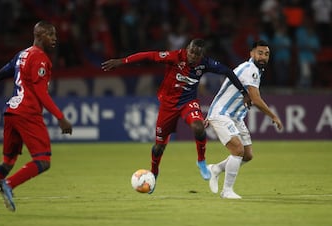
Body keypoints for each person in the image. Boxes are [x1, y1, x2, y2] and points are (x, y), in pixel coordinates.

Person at [102, 39, 251, 193]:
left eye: (197, 54)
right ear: (187, 49)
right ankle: (154, 173)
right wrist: (122, 61)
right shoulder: (174, 57)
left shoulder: (205, 64)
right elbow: (149, 56)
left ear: (201, 56)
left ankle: (201, 161)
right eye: (191, 51)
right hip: (168, 106)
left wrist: (244, 92)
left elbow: (227, 71)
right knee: (158, 147)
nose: (192, 56)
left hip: (188, 103)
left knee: (198, 127)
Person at [0, 21, 72, 216]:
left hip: (11, 112)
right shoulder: (40, 58)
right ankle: (8, 184)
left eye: (55, 35)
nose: (54, 39)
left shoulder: (22, 55)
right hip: (27, 113)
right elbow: (40, 92)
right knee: (43, 160)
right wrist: (60, 117)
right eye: (50, 35)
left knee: (8, 162)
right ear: (39, 34)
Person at [205, 40, 283, 199]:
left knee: (247, 155)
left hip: (235, 117)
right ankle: (227, 191)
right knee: (238, 150)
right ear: (251, 54)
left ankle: (216, 169)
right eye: (260, 53)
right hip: (222, 114)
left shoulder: (256, 71)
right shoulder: (250, 70)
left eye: (266, 54)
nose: (263, 57)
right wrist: (273, 115)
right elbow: (255, 98)